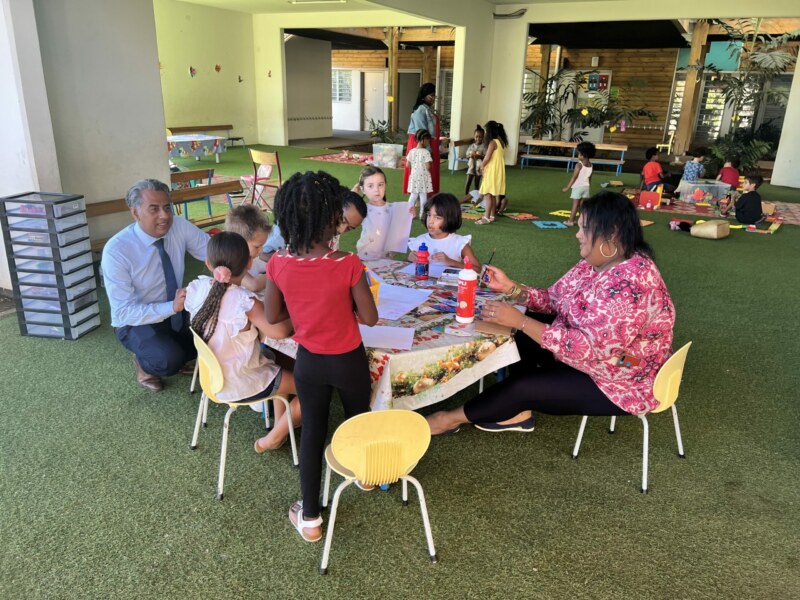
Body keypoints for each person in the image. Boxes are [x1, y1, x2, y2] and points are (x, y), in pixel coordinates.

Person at [425, 191, 675, 436]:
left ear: (612, 234)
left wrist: (522, 321)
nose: (577, 235)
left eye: (584, 229)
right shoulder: (596, 262)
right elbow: (554, 300)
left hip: (625, 372)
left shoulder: (632, 281)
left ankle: (446, 419)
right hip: (595, 355)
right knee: (517, 336)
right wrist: (511, 288)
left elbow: (592, 349)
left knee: (523, 385)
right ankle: (516, 411)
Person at [265, 171, 379, 543]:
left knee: (313, 431)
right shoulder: (347, 263)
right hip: (348, 359)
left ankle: (310, 518)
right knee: (357, 419)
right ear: (332, 217)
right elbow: (370, 318)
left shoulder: (277, 263)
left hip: (310, 361)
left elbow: (272, 317)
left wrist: (305, 311)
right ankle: (364, 476)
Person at [185, 232, 300, 452]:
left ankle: (281, 423)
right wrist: (297, 311)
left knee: (279, 365)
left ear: (208, 264)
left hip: (213, 380)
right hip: (243, 381)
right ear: (249, 262)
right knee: (314, 389)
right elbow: (280, 332)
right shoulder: (243, 302)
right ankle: (274, 437)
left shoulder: (196, 289)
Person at [102, 179, 209, 392]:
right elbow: (123, 313)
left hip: (175, 311)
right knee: (167, 360)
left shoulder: (178, 226)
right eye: (154, 209)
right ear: (135, 213)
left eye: (167, 207)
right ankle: (144, 364)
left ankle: (179, 350)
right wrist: (171, 307)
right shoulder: (116, 251)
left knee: (211, 335)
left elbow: (214, 253)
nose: (165, 215)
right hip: (135, 321)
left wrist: (256, 258)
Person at [408, 193, 481, 270]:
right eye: (429, 215)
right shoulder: (420, 241)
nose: (430, 221)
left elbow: (478, 269)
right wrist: (409, 260)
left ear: (450, 219)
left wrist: (451, 262)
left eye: (437, 217)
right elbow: (402, 270)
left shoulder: (459, 243)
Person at [404, 83, 440, 196]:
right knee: (421, 170)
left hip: (428, 142)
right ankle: (419, 199)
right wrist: (427, 151)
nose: (433, 98)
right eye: (431, 96)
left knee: (427, 171)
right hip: (420, 143)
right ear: (423, 96)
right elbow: (421, 133)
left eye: (434, 95)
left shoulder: (427, 109)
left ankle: (425, 197)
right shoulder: (420, 110)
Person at [224, 205, 271, 292]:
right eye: (257, 246)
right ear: (238, 242)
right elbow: (254, 285)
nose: (261, 251)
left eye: (262, 246)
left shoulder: (248, 257)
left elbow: (268, 264)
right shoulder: (230, 263)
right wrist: (280, 273)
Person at [354, 166, 392, 260]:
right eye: (370, 186)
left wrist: (410, 213)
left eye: (380, 184)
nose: (376, 189)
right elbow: (344, 207)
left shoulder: (393, 208)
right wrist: (353, 192)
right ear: (362, 189)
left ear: (385, 185)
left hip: (386, 259)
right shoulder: (362, 208)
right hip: (365, 257)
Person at [475, 120, 509, 225]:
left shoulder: (493, 142)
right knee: (493, 194)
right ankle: (492, 215)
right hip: (497, 171)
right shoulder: (501, 142)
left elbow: (487, 157)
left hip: (492, 171)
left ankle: (486, 217)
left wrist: (481, 166)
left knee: (488, 195)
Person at [562, 141, 596, 227]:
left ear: (583, 155)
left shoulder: (578, 165)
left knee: (575, 205)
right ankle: (583, 222)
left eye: (579, 153)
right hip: (586, 187)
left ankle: (571, 221)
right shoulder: (591, 165)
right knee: (582, 206)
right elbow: (590, 178)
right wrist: (588, 186)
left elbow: (574, 177)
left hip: (578, 188)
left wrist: (567, 187)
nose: (578, 155)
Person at [406, 129, 434, 219]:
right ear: (423, 140)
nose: (428, 143)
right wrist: (429, 163)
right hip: (423, 177)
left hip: (414, 176)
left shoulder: (411, 151)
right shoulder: (425, 152)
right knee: (423, 195)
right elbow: (428, 167)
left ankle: (409, 213)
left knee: (413, 195)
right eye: (428, 141)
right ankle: (423, 214)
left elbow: (407, 165)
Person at [464, 124, 486, 195]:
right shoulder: (471, 146)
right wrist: (471, 155)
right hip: (471, 168)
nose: (478, 138)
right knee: (468, 183)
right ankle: (466, 195)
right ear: (474, 136)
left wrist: (479, 156)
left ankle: (476, 197)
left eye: (480, 137)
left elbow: (485, 157)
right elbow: (467, 156)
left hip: (478, 169)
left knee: (476, 184)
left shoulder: (484, 146)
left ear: (483, 137)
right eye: (476, 137)